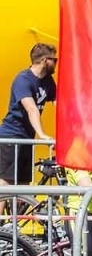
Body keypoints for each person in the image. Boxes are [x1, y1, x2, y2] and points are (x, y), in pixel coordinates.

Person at [1, 42, 58, 185]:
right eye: (54, 60)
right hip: (11, 136)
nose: (56, 63)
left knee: (24, 183)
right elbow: (31, 109)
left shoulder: (48, 81)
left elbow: (60, 106)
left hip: (27, 137)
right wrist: (42, 134)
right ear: (45, 60)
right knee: (5, 182)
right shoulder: (23, 79)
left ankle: (18, 208)